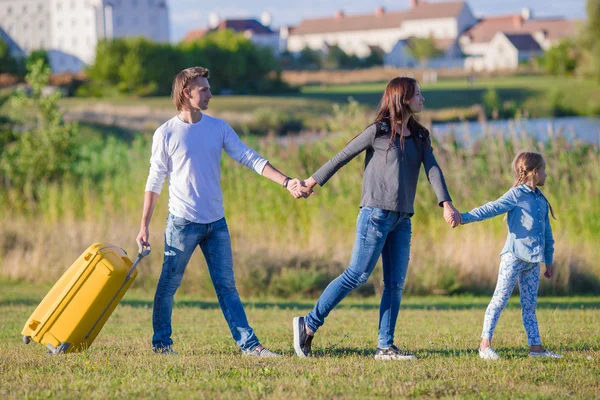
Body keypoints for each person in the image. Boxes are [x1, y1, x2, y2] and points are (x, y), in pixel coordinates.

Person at [136, 66, 304, 356]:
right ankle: (162, 344)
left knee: (227, 287)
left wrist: (287, 182)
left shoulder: (218, 127)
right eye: (205, 89)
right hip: (182, 224)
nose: (210, 94)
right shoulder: (165, 134)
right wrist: (144, 226)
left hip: (216, 224)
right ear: (187, 93)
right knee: (168, 286)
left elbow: (250, 157)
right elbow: (154, 181)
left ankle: (250, 346)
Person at [290, 77, 461, 360]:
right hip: (375, 215)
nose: (422, 99)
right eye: (417, 94)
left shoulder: (420, 136)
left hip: (402, 219)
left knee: (395, 284)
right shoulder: (378, 131)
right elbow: (341, 157)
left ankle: (385, 346)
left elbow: (433, 170)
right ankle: (309, 323)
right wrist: (309, 183)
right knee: (357, 275)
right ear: (402, 98)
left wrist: (446, 203)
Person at [456, 151, 561, 360]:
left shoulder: (540, 199)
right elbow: (491, 208)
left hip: (532, 262)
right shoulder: (515, 195)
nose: (546, 175)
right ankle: (484, 346)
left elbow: (547, 233)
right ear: (533, 172)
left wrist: (548, 260)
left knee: (530, 305)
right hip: (512, 258)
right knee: (499, 300)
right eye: (544, 170)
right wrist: (462, 217)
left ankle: (536, 349)